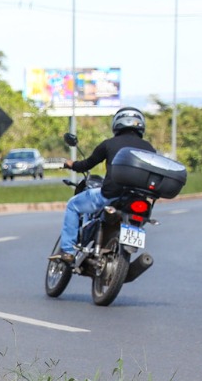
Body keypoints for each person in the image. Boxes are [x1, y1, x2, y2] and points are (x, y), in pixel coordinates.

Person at [55, 106, 156, 263]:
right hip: (136, 200)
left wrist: (70, 164)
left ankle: (67, 251)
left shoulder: (109, 144)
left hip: (110, 195)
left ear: (117, 124)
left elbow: (86, 165)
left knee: (72, 205)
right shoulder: (149, 148)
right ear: (141, 125)